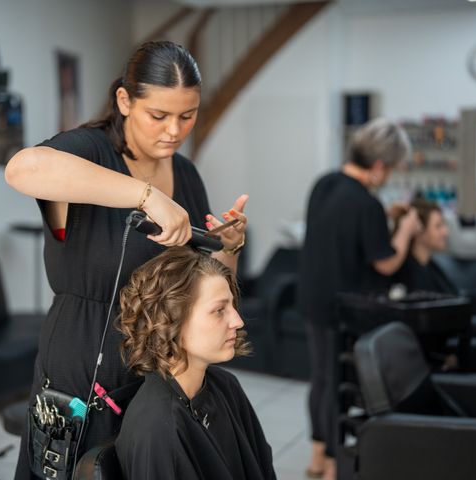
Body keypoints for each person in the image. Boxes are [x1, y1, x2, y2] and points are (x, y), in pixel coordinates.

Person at [4, 41, 248, 479]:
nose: (174, 131)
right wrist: (146, 195)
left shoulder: (186, 175)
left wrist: (227, 247)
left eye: (187, 116)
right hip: (84, 354)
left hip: (159, 361)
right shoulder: (92, 150)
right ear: (124, 100)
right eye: (158, 115)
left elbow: (209, 284)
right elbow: (22, 168)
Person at [297, 118, 422, 480]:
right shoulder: (366, 203)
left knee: (319, 378)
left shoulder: (325, 183)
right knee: (337, 381)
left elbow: (341, 224)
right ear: (380, 166)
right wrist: (407, 230)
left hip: (312, 297)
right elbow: (386, 263)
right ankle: (336, 466)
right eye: (392, 169)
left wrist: (384, 215)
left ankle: (317, 458)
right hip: (342, 306)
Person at [115, 246, 276, 479]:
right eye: (219, 310)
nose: (238, 321)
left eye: (232, 306)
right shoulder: (159, 428)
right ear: (172, 320)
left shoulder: (225, 386)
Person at [392, 198, 457, 294]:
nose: (445, 232)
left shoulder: (430, 266)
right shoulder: (410, 277)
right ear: (418, 230)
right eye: (438, 226)